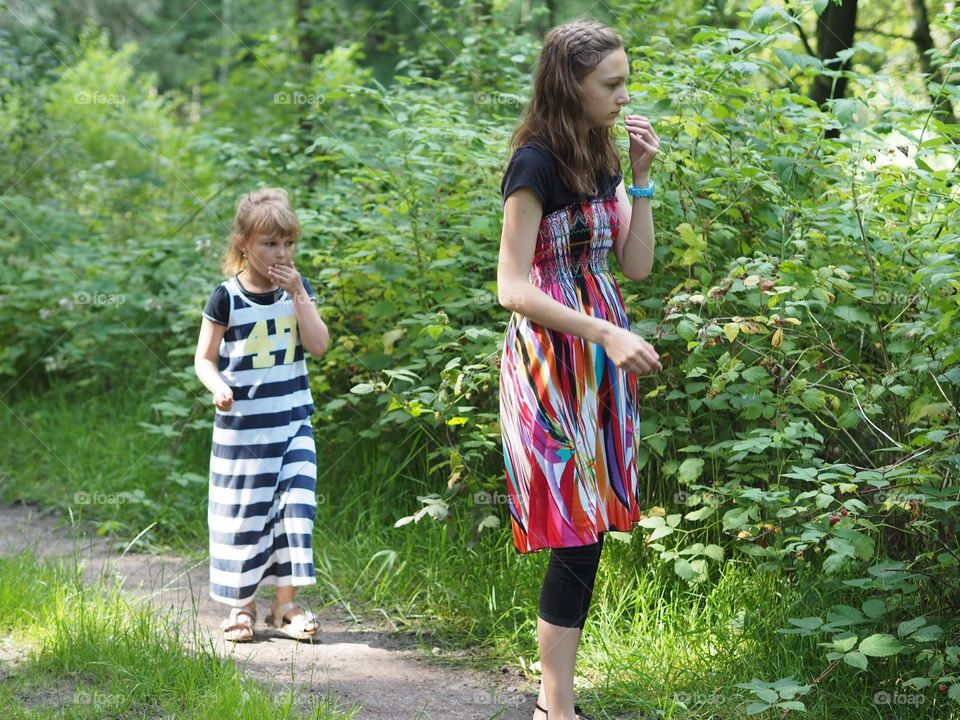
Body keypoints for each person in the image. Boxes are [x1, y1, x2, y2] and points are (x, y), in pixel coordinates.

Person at [496, 19, 662, 720]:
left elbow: (635, 266)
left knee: (587, 532)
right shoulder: (532, 164)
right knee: (572, 533)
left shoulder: (602, 157)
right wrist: (604, 331)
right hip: (548, 364)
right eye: (612, 84)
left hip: (599, 367)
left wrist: (644, 180)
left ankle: (552, 703)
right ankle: (555, 708)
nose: (624, 96)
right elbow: (512, 286)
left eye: (624, 81)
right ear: (572, 84)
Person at [194, 188, 330, 642]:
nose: (281, 253)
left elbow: (319, 345)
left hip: (293, 424)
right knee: (245, 517)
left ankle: (286, 606)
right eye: (270, 243)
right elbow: (204, 359)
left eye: (288, 243)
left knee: (298, 509)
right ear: (244, 244)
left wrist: (299, 295)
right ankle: (243, 607)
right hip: (243, 435)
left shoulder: (298, 290)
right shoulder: (226, 298)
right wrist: (218, 387)